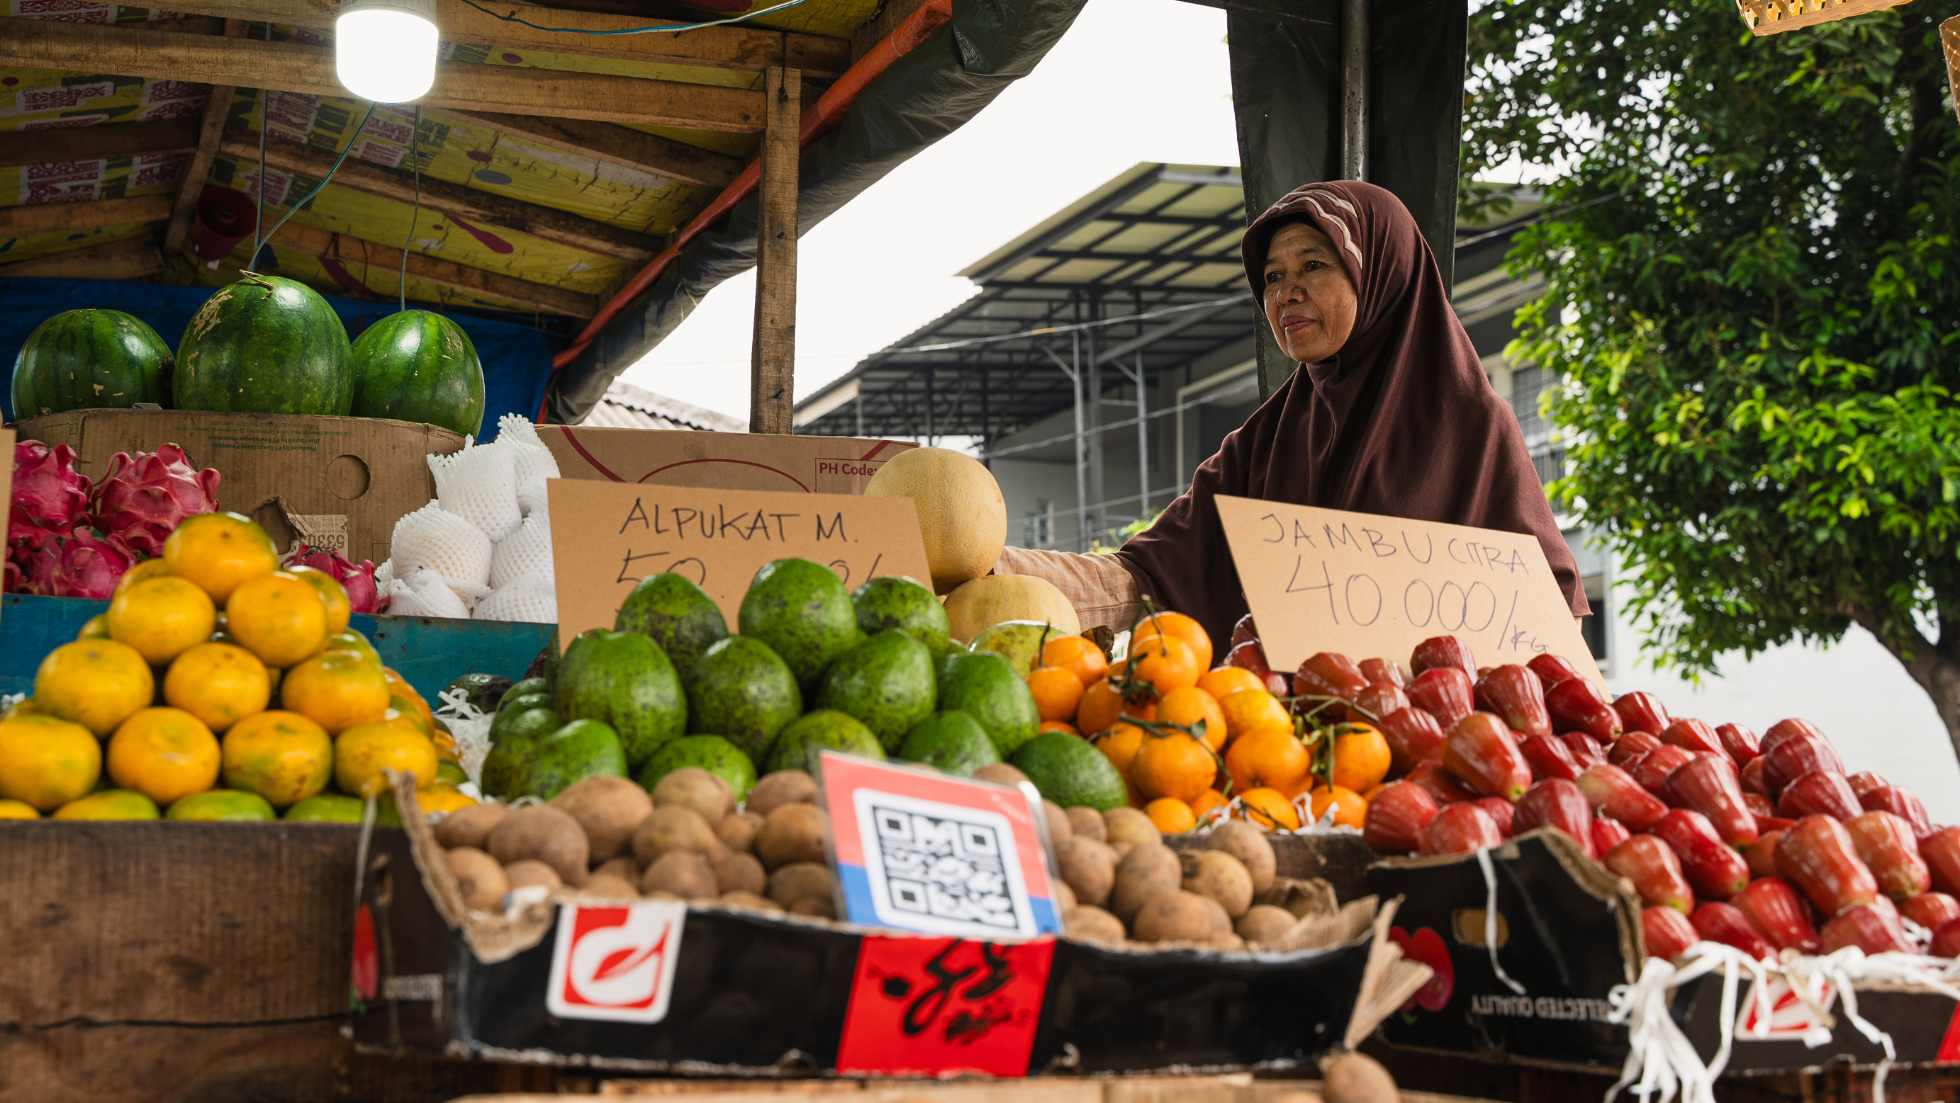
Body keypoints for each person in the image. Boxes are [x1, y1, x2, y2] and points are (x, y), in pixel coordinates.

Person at [994, 180, 1589, 648]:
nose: (1286, 293)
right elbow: (1145, 578)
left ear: (1380, 276)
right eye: (1272, 277)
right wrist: (987, 569)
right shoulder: (1264, 444)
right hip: (1288, 761)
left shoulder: (1472, 430)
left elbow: (1547, 626)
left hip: (1447, 765)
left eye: (1313, 266)